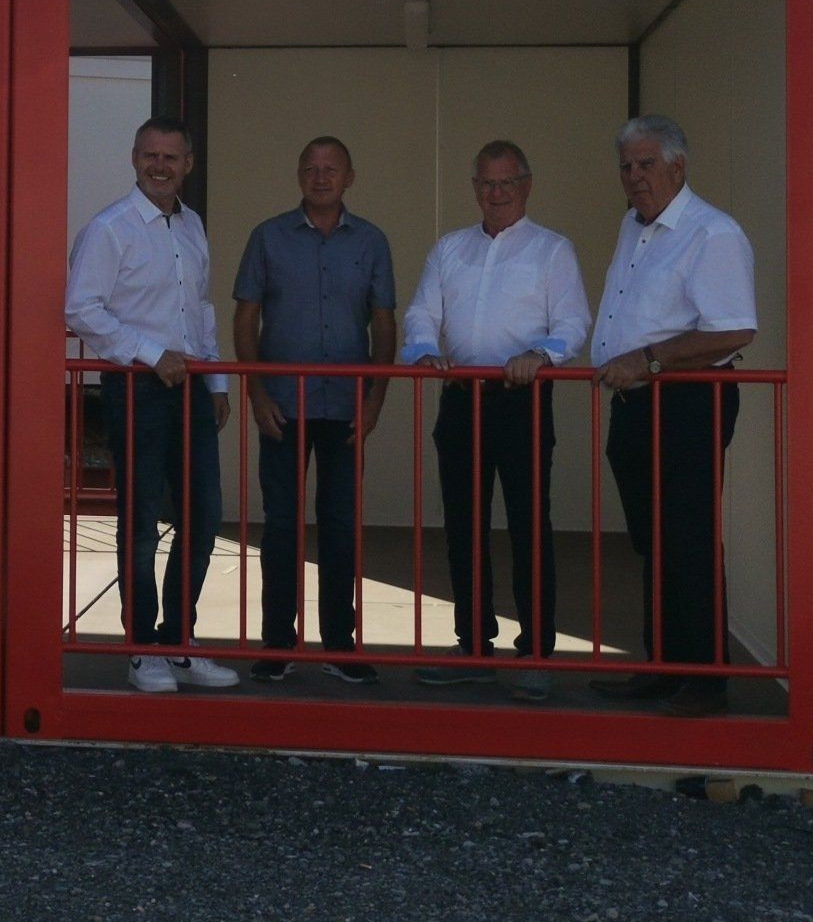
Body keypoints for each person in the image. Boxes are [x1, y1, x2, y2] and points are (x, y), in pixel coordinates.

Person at [401, 141, 591, 703]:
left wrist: (542, 354)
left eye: (507, 182)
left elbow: (573, 322)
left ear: (526, 185)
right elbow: (421, 311)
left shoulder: (552, 249)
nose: (497, 193)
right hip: (461, 399)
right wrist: (422, 349)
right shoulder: (449, 249)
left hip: (520, 399)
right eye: (487, 183)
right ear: (474, 187)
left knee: (530, 525)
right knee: (464, 526)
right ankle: (474, 647)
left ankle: (536, 652)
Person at [588, 115, 756, 718]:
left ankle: (705, 679)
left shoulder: (713, 233)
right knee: (654, 542)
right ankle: (663, 666)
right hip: (634, 403)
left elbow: (734, 329)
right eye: (626, 166)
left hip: (686, 401)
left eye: (647, 164)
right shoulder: (632, 226)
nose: (635, 176)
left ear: (678, 167)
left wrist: (649, 359)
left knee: (687, 539)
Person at [65, 117, 238, 693]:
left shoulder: (192, 225)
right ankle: (142, 649)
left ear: (188, 163)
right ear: (134, 158)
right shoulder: (109, 229)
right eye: (149, 155)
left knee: (202, 515)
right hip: (138, 387)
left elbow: (202, 309)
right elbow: (80, 308)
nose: (159, 166)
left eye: (170, 157)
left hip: (191, 388)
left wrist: (216, 383)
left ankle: (179, 641)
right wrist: (149, 354)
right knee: (141, 522)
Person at [233, 136, 395, 684]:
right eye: (311, 168)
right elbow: (245, 318)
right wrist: (256, 394)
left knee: (341, 525)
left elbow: (384, 325)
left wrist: (375, 400)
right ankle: (278, 642)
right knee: (281, 525)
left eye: (331, 169)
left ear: (350, 177)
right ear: (298, 174)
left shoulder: (371, 241)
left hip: (346, 407)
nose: (320, 177)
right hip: (282, 405)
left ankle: (339, 644)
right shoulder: (268, 236)